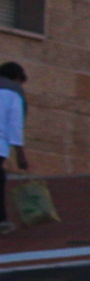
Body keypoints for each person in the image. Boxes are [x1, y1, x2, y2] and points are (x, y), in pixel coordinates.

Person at [0, 60, 25, 234]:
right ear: (17, 78)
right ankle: (2, 221)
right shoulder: (14, 93)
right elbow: (15, 126)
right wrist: (20, 156)